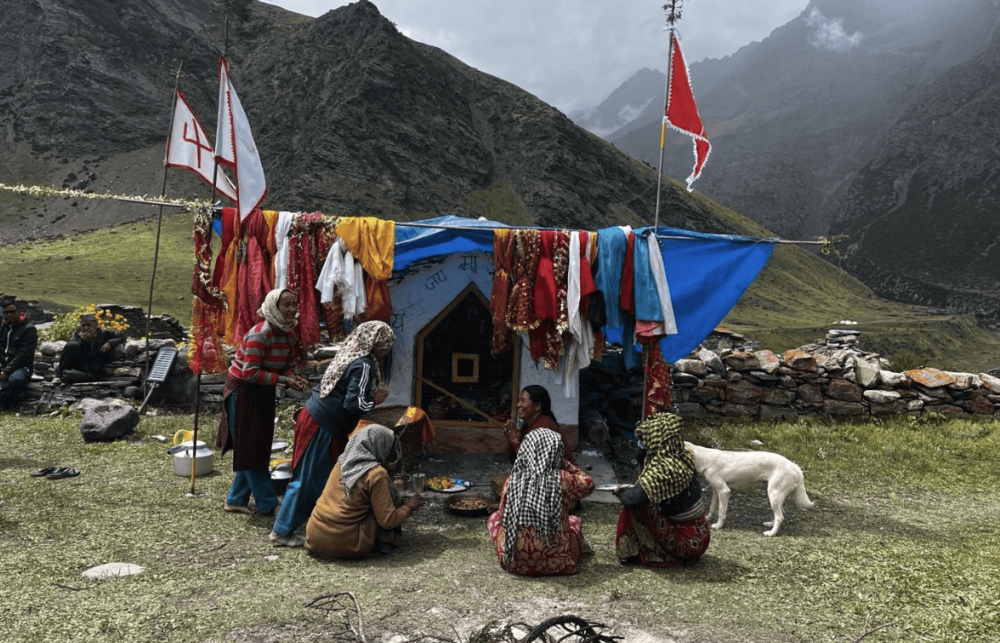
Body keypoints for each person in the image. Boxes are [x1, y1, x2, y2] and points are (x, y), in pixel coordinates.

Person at [270, 320, 396, 548]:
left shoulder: (350, 355)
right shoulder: (364, 364)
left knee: (321, 476)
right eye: (387, 346)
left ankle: (315, 520)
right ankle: (281, 530)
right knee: (306, 479)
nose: (388, 351)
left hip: (315, 417)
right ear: (378, 345)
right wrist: (372, 401)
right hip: (323, 424)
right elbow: (352, 403)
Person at [219, 288, 309, 517]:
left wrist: (292, 377)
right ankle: (268, 503)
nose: (292, 309)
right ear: (273, 308)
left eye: (293, 304)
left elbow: (287, 364)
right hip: (243, 391)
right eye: (285, 305)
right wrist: (284, 380)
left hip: (263, 390)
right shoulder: (261, 334)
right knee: (251, 448)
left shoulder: (288, 335)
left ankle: (235, 499)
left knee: (255, 447)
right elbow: (249, 373)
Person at [305, 424, 425, 558]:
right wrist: (409, 507)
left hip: (314, 536)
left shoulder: (342, 462)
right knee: (390, 501)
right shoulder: (376, 474)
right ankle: (384, 543)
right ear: (381, 446)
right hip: (346, 545)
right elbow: (388, 520)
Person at [487, 428, 594, 576]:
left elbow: (503, 516)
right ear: (556, 451)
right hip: (558, 562)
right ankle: (576, 552)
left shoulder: (511, 480)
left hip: (514, 563)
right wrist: (564, 463)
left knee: (494, 519)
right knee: (574, 521)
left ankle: (512, 552)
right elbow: (589, 483)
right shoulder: (562, 479)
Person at [614, 412, 710, 568]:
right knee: (643, 495)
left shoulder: (665, 468)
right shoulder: (682, 457)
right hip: (700, 537)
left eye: (644, 440)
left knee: (635, 505)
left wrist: (620, 490)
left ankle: (632, 553)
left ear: (655, 440)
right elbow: (643, 464)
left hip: (687, 543)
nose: (642, 443)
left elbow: (634, 498)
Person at [503, 384, 574, 464]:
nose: (518, 405)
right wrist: (513, 440)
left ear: (537, 406)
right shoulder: (527, 426)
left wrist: (515, 441)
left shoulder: (544, 427)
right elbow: (516, 461)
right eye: (519, 401)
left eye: (523, 401)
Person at [54, 312, 124, 384]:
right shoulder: (77, 335)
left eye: (89, 325)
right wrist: (83, 342)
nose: (86, 328)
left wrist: (110, 343)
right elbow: (72, 349)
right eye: (83, 326)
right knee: (72, 345)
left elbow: (122, 336)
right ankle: (59, 376)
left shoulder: (103, 333)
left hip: (92, 368)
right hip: (79, 364)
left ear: (95, 324)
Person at [1, 296, 38, 411]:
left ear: (19, 312)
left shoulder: (29, 329)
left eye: (13, 312)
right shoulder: (2, 327)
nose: (10, 315)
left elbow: (24, 354)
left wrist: (6, 372)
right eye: (6, 312)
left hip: (21, 367)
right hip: (2, 364)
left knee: (17, 380)